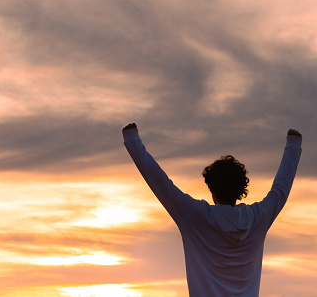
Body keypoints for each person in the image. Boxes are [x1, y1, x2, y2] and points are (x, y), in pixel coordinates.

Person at [122, 123, 302, 297]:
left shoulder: (195, 216)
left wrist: (132, 140)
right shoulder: (257, 218)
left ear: (211, 189)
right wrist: (293, 144)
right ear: (241, 190)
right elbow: (281, 189)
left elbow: (160, 182)